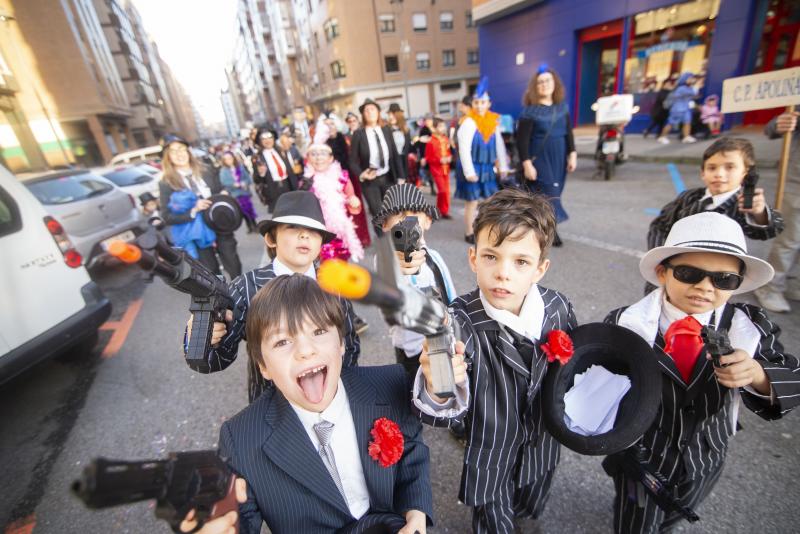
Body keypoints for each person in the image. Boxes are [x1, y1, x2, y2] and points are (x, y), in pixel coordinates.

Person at [183, 274, 434, 534]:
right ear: (263, 366)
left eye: (319, 331)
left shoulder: (387, 385)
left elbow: (411, 451)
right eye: (282, 341)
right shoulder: (241, 439)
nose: (305, 351)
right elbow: (239, 516)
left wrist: (415, 512)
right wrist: (218, 524)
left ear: (341, 343)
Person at [603, 212, 800, 533]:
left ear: (738, 283)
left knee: (681, 510)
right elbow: (599, 382)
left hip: (707, 453)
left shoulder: (749, 326)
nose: (705, 286)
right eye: (689, 273)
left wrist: (757, 375)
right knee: (636, 520)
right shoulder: (625, 322)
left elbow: (790, 375)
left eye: (724, 279)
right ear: (662, 272)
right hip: (642, 451)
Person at [413, 188, 578, 533]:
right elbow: (442, 405)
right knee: (494, 522)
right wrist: (437, 382)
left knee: (529, 508)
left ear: (540, 268)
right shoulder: (456, 322)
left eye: (521, 262)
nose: (503, 273)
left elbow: (572, 370)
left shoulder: (558, 308)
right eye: (491, 256)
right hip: (492, 454)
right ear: (473, 258)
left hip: (543, 445)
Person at [188, 191, 362, 402]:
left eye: (314, 231)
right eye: (293, 228)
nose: (305, 235)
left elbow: (349, 342)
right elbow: (217, 358)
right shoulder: (246, 287)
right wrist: (202, 336)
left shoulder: (332, 284)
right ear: (271, 238)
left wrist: (345, 390)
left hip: (330, 396)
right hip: (273, 401)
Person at [372, 183, 456, 378]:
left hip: (444, 340)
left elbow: (451, 293)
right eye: (399, 214)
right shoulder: (385, 258)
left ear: (427, 220)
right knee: (413, 388)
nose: (407, 220)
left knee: (444, 387)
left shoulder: (435, 257)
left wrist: (454, 319)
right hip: (412, 351)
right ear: (385, 225)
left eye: (415, 213)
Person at [647, 137, 784, 250]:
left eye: (729, 167)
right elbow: (660, 225)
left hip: (719, 270)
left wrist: (760, 214)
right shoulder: (689, 197)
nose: (719, 174)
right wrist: (659, 257)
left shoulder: (742, 205)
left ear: (745, 172)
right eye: (712, 168)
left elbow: (768, 231)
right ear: (703, 173)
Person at [159, 134, 242, 278]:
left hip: (219, 224)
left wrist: (224, 193)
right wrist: (194, 210)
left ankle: (240, 290)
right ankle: (223, 292)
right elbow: (167, 216)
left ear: (188, 151)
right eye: (173, 151)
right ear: (168, 157)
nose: (179, 154)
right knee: (212, 274)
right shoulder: (166, 183)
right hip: (197, 234)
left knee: (234, 265)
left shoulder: (206, 169)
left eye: (181, 149)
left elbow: (221, 188)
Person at [516, 65, 576, 247]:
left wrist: (572, 154)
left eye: (548, 80)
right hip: (540, 158)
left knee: (552, 193)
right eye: (540, 82)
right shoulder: (529, 111)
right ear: (535, 87)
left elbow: (568, 132)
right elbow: (522, 141)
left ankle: (539, 225)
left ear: (554, 83)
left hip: (559, 156)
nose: (544, 84)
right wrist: (527, 164)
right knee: (550, 194)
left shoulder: (562, 108)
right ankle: (549, 231)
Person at [755, 110, 800, 312]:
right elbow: (772, 127)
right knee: (790, 239)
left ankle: (794, 281)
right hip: (797, 181)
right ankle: (771, 287)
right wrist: (781, 123)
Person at [455, 78, 510, 244]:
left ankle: (486, 229)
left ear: (489, 103)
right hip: (473, 167)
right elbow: (464, 149)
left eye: (483, 102)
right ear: (473, 103)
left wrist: (503, 165)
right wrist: (469, 172)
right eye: (476, 102)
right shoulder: (468, 122)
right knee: (472, 202)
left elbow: (499, 145)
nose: (479, 106)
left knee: (489, 201)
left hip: (487, 167)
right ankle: (469, 232)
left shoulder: (493, 121)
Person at [299, 143, 365, 263]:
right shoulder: (306, 182)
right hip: (319, 233)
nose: (318, 158)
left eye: (323, 154)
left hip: (340, 231)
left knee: (341, 263)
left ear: (331, 158)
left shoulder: (342, 177)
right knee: (325, 265)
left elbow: (351, 198)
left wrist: (353, 201)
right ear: (308, 159)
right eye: (314, 154)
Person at [349, 98, 406, 220]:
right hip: (370, 182)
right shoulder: (358, 134)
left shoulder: (386, 130)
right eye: (366, 110)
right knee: (378, 216)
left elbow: (395, 155)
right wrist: (361, 174)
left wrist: (401, 177)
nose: (370, 112)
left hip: (388, 178)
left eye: (372, 109)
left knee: (393, 213)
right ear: (363, 115)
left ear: (378, 112)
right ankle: (381, 232)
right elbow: (352, 161)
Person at [251, 128, 299, 213]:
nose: (267, 141)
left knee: (294, 212)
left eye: (270, 137)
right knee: (280, 215)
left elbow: (291, 170)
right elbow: (256, 179)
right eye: (264, 138)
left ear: (274, 139)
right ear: (260, 141)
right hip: (273, 189)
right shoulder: (257, 157)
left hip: (287, 185)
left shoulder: (282, 151)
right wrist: (261, 174)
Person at [219, 150, 258, 233]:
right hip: (234, 194)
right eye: (226, 159)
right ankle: (249, 226)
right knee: (242, 211)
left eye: (230, 158)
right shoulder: (223, 171)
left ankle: (254, 225)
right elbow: (224, 182)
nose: (228, 160)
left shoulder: (240, 167)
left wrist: (244, 183)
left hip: (244, 192)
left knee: (249, 209)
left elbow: (248, 179)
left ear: (233, 158)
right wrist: (233, 184)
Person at [424, 117, 453, 219]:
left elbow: (448, 152)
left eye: (443, 126)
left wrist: (449, 157)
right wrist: (439, 160)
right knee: (442, 191)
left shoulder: (445, 139)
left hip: (446, 169)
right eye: (440, 126)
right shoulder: (431, 141)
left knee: (446, 192)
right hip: (436, 170)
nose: (443, 128)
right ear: (435, 128)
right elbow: (428, 158)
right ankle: (439, 211)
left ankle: (443, 211)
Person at [658, 72, 698, 144]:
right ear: (685, 79)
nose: (692, 80)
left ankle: (686, 137)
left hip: (686, 108)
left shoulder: (689, 88)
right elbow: (692, 93)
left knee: (687, 122)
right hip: (677, 108)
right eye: (690, 78)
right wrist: (695, 87)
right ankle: (662, 137)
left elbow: (693, 95)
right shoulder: (681, 88)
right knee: (671, 123)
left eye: (692, 78)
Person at [387, 103, 413, 180]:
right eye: (389, 115)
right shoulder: (386, 130)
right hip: (392, 165)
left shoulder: (406, 130)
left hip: (404, 163)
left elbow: (408, 148)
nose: (390, 117)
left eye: (393, 114)